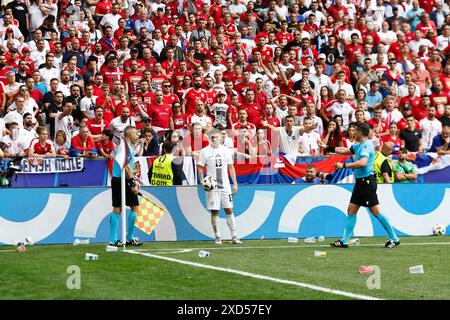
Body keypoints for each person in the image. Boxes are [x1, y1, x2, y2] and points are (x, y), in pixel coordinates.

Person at [318, 123, 400, 248]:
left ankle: (394, 238)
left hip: (367, 182)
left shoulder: (366, 146)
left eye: (355, 130)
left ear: (360, 133)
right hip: (361, 182)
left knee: (375, 211)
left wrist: (344, 166)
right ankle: (344, 241)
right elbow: (345, 150)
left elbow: (362, 163)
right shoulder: (359, 145)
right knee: (351, 209)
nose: (352, 133)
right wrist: (328, 147)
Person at [197, 128, 242, 245]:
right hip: (212, 187)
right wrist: (202, 180)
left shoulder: (227, 151)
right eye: (212, 137)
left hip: (225, 186)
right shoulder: (204, 151)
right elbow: (200, 167)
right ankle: (217, 236)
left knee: (229, 209)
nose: (214, 139)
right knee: (214, 211)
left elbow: (231, 167)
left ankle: (234, 236)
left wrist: (235, 183)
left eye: (216, 137)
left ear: (221, 138)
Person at [109, 126, 143, 247]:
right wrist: (133, 182)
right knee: (133, 207)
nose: (138, 135)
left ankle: (115, 240)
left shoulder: (125, 147)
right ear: (128, 135)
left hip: (119, 179)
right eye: (135, 133)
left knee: (118, 208)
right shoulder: (125, 148)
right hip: (122, 180)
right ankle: (128, 238)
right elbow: (127, 167)